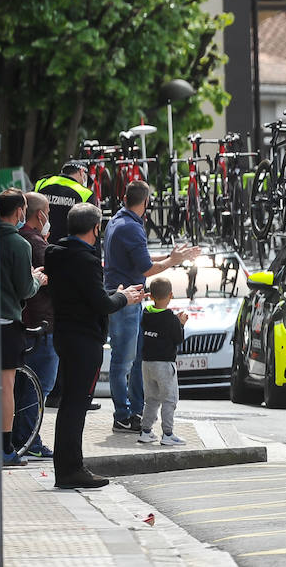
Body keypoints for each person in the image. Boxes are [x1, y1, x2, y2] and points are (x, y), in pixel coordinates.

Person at [45, 203, 145, 488]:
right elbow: (100, 303)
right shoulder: (86, 259)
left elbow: (87, 293)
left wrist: (117, 292)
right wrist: (125, 299)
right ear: (96, 229)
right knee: (77, 405)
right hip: (84, 340)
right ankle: (71, 470)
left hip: (64, 334)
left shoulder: (56, 253)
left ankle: (67, 467)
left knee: (69, 404)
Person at [102, 180, 199, 433]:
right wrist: (172, 261)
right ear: (145, 202)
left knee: (135, 361)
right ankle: (122, 416)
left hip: (126, 298)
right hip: (125, 300)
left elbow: (142, 257)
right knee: (123, 361)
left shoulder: (119, 221)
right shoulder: (131, 228)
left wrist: (173, 257)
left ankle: (135, 412)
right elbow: (147, 268)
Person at [0, 188, 45, 466]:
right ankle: (5, 450)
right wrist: (37, 279)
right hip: (5, 323)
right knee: (5, 386)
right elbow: (25, 289)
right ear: (19, 212)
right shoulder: (19, 245)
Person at [15, 193, 57, 459]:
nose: (49, 218)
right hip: (42, 325)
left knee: (25, 386)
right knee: (39, 386)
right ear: (39, 214)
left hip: (26, 323)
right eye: (49, 212)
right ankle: (30, 440)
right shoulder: (34, 243)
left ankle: (23, 437)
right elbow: (55, 278)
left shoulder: (23, 240)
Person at [138, 277, 187, 446]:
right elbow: (178, 339)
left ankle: (145, 431)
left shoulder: (146, 314)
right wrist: (181, 324)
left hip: (147, 363)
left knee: (151, 399)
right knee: (169, 399)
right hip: (165, 364)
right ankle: (167, 433)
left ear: (151, 296)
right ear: (171, 295)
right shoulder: (170, 318)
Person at [35, 162, 96, 244]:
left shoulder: (41, 183)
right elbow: (91, 228)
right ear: (82, 172)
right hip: (69, 248)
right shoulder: (85, 193)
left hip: (40, 243)